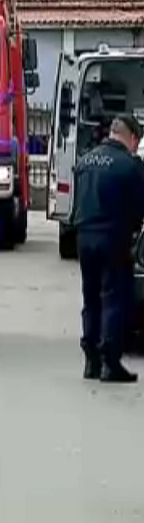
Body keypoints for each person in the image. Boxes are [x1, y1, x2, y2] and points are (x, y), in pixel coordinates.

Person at [72, 114, 144, 383]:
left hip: (84, 237)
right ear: (132, 137)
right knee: (113, 298)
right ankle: (110, 363)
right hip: (113, 237)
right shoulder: (129, 165)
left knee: (90, 298)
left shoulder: (85, 161)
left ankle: (90, 360)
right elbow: (139, 205)